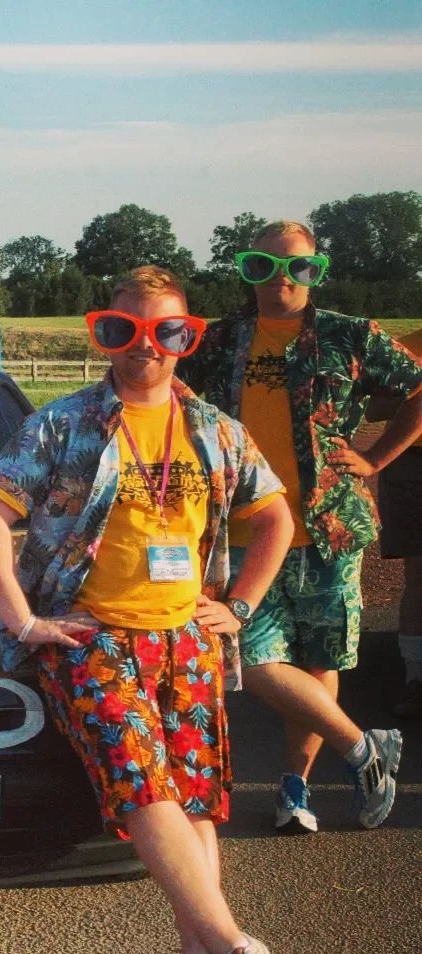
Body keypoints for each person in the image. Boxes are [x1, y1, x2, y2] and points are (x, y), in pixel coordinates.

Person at [0, 265, 302, 954]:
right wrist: (23, 619)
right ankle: (240, 950)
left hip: (188, 639)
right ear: (104, 333)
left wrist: (239, 606)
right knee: (146, 785)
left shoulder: (215, 429)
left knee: (197, 796)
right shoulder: (61, 424)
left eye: (165, 330)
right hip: (93, 637)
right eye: (123, 329)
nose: (144, 346)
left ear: (186, 338)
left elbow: (275, 517)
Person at [177, 220, 422, 834]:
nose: (281, 279)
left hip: (328, 528)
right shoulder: (218, 339)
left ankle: (296, 789)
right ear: (245, 270)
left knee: (316, 661)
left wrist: (376, 457)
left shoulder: (348, 335)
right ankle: (362, 748)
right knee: (251, 659)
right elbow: (164, 388)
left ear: (316, 271)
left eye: (298, 268)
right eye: (262, 266)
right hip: (243, 532)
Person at [366, 328, 422, 718]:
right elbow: (375, 409)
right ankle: (415, 679)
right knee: (419, 572)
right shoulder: (409, 347)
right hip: (411, 462)